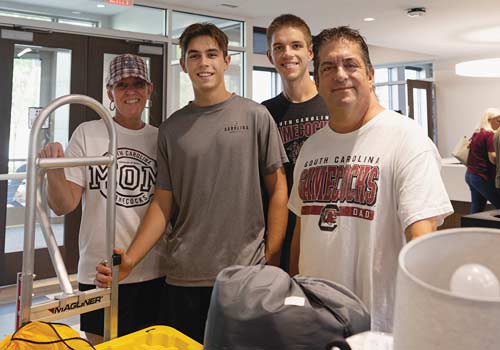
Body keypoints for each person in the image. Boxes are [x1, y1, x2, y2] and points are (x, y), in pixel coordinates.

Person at [96, 23, 289, 343]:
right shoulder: (171, 129)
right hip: (183, 278)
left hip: (244, 277)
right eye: (195, 56)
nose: (204, 63)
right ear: (183, 64)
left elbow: (279, 189)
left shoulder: (255, 116)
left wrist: (272, 257)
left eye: (212, 54)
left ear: (227, 61)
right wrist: (130, 259)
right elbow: (162, 202)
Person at [288, 26, 453, 332]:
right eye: (328, 67)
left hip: (380, 326)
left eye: (350, 64)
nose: (340, 74)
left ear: (370, 75)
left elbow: (423, 240)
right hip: (314, 320)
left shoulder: (407, 139)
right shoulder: (311, 147)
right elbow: (302, 227)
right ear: (317, 81)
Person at [39, 54, 167, 344]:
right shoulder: (88, 133)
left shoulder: (161, 139)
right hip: (100, 271)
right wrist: (54, 170)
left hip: (152, 268)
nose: (130, 91)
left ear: (149, 89)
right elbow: (63, 205)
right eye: (122, 85)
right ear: (110, 91)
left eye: (138, 83)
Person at [262, 14, 329, 272]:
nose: (287, 53)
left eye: (296, 45)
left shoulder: (333, 104)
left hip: (326, 226)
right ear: (270, 56)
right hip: (282, 231)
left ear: (311, 52)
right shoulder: (264, 113)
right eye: (279, 47)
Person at [465, 107, 500, 213]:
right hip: (482, 177)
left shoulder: (477, 133)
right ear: (489, 120)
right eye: (498, 120)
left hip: (470, 175)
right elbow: (492, 158)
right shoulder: (490, 135)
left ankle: (472, 229)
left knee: (477, 210)